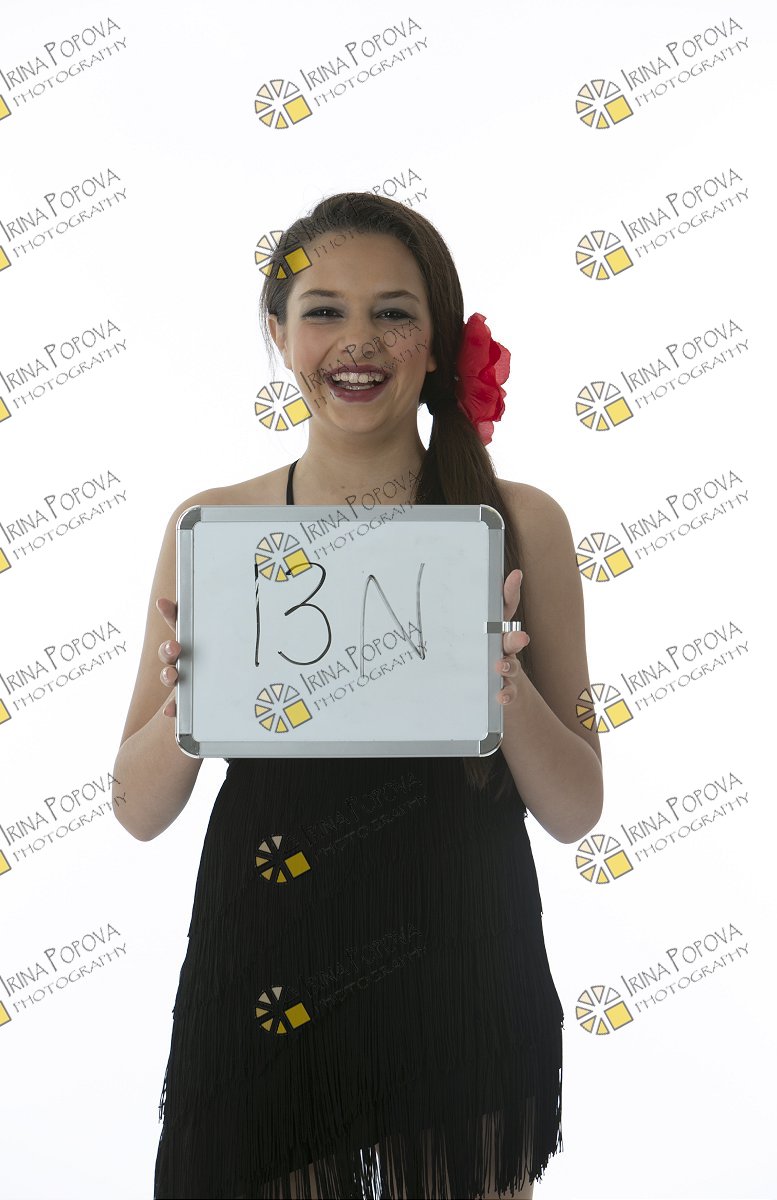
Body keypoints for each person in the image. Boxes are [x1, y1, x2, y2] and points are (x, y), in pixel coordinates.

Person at [113, 192, 603, 1200]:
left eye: (393, 312)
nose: (358, 340)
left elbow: (576, 809)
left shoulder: (523, 522)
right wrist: (187, 704)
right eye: (324, 310)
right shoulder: (212, 524)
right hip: (270, 949)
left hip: (461, 952)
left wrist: (502, 685)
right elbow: (136, 807)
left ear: (437, 341)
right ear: (279, 334)